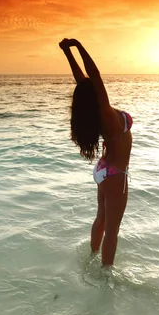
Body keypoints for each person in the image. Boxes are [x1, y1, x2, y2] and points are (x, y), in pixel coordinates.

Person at [59, 38, 133, 267]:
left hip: (103, 170)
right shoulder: (108, 115)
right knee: (112, 231)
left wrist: (67, 53)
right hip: (115, 174)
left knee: (101, 218)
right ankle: (106, 275)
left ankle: (92, 257)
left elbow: (82, 81)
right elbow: (94, 75)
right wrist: (78, 46)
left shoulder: (95, 112)